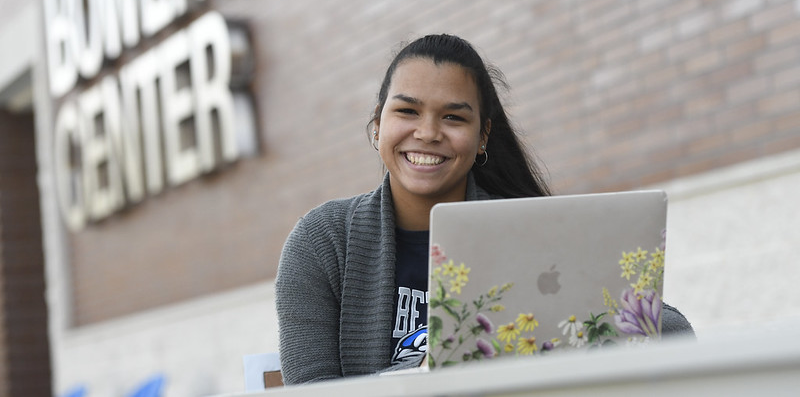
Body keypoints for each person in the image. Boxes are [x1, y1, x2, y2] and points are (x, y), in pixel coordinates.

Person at [275, 34, 692, 385]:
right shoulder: (322, 242)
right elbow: (311, 392)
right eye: (407, 111)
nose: (427, 132)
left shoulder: (529, 229)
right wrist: (420, 377)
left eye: (453, 118)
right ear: (377, 124)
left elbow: (673, 332)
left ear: (482, 137)